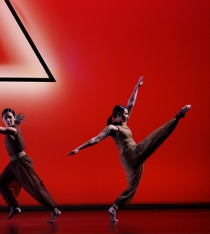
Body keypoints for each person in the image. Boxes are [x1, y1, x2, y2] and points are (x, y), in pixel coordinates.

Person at [67, 76, 191, 222]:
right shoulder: (112, 127)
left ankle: (114, 207)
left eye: (126, 114)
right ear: (117, 115)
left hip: (129, 158)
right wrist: (79, 148)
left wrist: (136, 87)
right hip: (131, 153)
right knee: (152, 140)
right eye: (125, 115)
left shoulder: (123, 122)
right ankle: (177, 117)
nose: (127, 116)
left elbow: (131, 104)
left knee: (133, 186)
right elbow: (96, 139)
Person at [0, 101, 61, 223]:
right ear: (2, 119)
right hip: (13, 165)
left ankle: (54, 210)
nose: (8, 119)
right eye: (5, 118)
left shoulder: (13, 130)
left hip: (22, 164)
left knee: (35, 188)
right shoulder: (8, 130)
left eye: (10, 117)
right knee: (0, 183)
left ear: (14, 118)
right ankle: (14, 207)